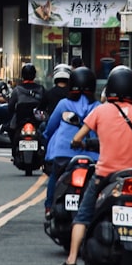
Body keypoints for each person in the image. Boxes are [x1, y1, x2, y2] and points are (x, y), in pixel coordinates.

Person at [55, 66, 132, 265]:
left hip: (105, 175)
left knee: (83, 215)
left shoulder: (101, 111)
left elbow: (78, 138)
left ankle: (70, 261)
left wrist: (80, 143)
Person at [42, 66, 98, 214]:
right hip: (92, 155)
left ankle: (49, 207)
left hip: (63, 154)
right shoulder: (99, 107)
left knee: (55, 175)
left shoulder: (63, 104)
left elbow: (50, 128)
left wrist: (46, 141)